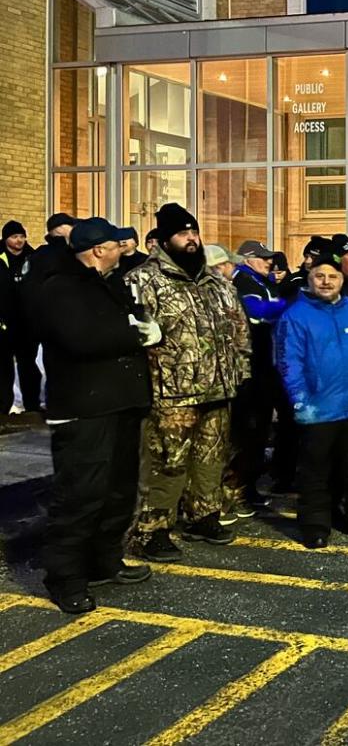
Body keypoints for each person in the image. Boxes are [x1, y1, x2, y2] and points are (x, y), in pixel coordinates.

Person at [38, 217, 160, 614]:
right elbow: (80, 339)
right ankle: (66, 577)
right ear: (97, 250)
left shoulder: (110, 283)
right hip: (85, 409)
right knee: (81, 494)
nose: (123, 250)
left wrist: (138, 323)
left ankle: (105, 560)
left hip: (121, 403)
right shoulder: (62, 288)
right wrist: (135, 334)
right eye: (115, 245)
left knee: (119, 489)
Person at [128, 203, 252, 562]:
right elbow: (133, 335)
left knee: (211, 456)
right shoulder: (142, 280)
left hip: (218, 386)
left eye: (194, 232)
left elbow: (238, 327)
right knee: (168, 461)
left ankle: (203, 516)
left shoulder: (215, 282)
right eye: (183, 234)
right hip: (171, 392)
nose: (191, 240)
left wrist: (239, 372)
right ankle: (152, 530)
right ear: (165, 240)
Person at [275, 241, 348, 548]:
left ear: (341, 279)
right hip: (318, 410)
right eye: (319, 276)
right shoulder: (296, 316)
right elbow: (289, 361)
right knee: (316, 471)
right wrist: (299, 398)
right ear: (310, 278)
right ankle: (315, 523)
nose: (326, 281)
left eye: (332, 276)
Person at [223, 239, 287, 520]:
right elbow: (254, 312)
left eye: (269, 257)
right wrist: (290, 306)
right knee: (246, 432)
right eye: (262, 257)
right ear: (247, 259)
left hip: (267, 368)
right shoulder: (245, 283)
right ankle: (233, 491)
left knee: (259, 432)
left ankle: (247, 488)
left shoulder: (264, 282)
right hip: (251, 370)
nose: (268, 261)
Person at [2, 219, 41, 413]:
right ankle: (3, 408)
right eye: (14, 236)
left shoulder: (32, 258)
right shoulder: (0, 258)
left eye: (22, 236)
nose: (19, 240)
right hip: (3, 324)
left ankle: (32, 406)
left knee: (28, 366)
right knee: (4, 368)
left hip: (27, 323)